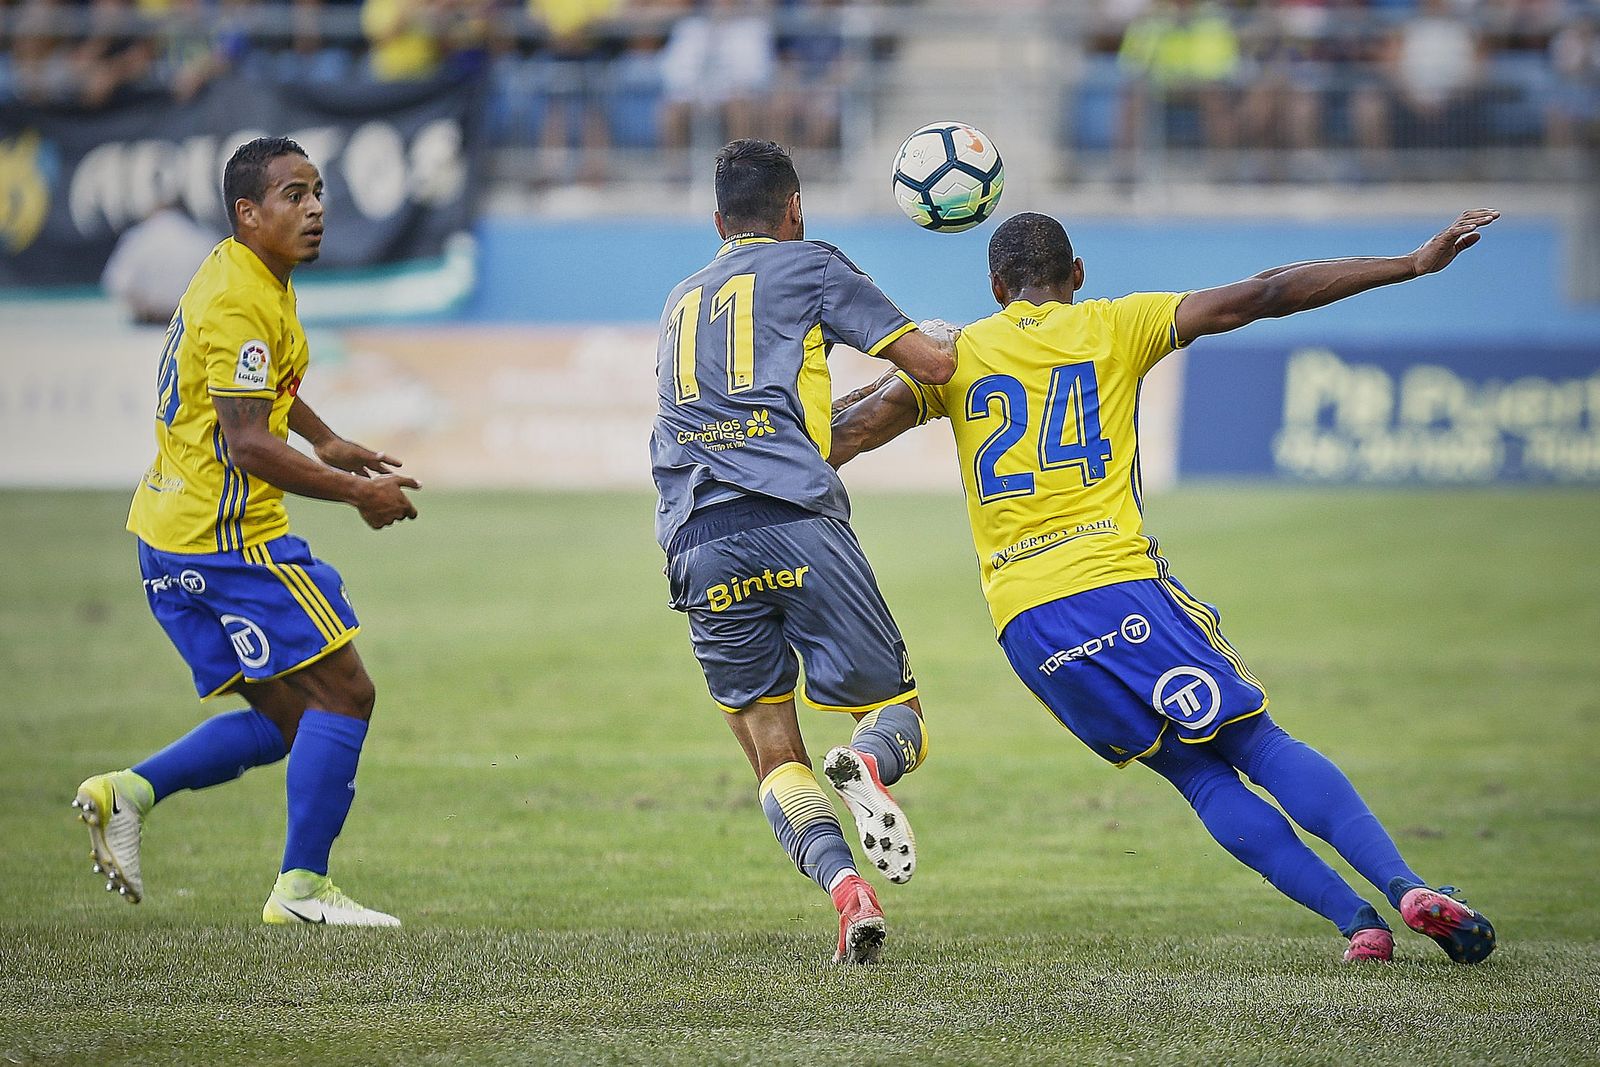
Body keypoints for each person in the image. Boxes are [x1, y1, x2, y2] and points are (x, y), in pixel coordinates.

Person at [828, 209, 1502, 965]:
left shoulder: (955, 355)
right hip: (1116, 585)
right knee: (1257, 741)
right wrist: (1409, 263)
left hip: (1028, 626)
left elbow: (844, 434)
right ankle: (1405, 885)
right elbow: (1269, 291)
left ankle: (1360, 924)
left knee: (1195, 775)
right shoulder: (1121, 323)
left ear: (995, 287)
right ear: (1077, 275)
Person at [73, 136, 421, 927]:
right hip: (230, 540)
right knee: (347, 692)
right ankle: (302, 888)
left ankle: (125, 793)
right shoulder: (243, 297)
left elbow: (255, 388)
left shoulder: (239, 271)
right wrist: (353, 492)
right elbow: (247, 443)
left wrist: (325, 435)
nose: (315, 209)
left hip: (166, 536)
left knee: (291, 719)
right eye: (294, 195)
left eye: (318, 192)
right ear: (248, 212)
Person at [651, 138, 956, 964]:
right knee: (899, 717)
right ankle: (866, 761)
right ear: (794, 210)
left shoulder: (681, 298)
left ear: (718, 221)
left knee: (769, 748)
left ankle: (846, 892)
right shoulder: (810, 263)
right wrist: (940, 338)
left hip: (698, 540)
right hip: (797, 519)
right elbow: (929, 363)